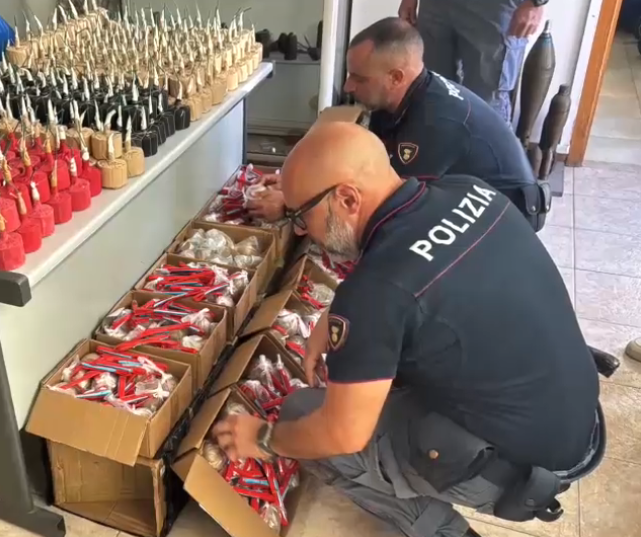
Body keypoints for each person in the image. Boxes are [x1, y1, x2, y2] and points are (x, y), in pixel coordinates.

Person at [213, 122, 602, 537]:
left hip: (523, 474)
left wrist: (265, 438)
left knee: (303, 417)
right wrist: (344, 311)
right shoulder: (469, 190)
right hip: (578, 421)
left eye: (302, 216)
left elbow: (342, 434)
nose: (300, 229)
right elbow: (425, 272)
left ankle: (446, 532)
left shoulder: (376, 292)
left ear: (347, 199)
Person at [249, 18, 548, 231]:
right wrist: (297, 182)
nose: (348, 86)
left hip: (507, 219)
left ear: (395, 77)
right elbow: (367, 165)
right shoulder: (394, 99)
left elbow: (391, 204)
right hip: (467, 195)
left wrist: (292, 205)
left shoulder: (434, 123)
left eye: (359, 78)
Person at [398, 0, 547, 122]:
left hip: (493, 9)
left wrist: (535, 2)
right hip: (436, 6)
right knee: (434, 92)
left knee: (487, 105)